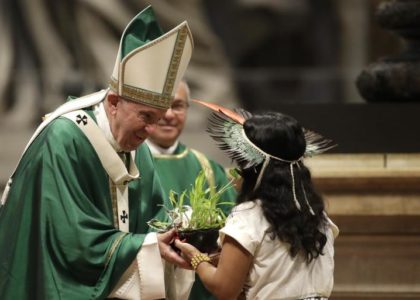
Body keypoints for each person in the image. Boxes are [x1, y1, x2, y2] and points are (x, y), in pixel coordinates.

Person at [0, 6, 194, 299]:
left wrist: (177, 233)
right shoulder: (64, 139)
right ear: (114, 102)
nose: (151, 131)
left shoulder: (138, 148)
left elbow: (155, 218)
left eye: (157, 119)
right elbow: (69, 243)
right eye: (145, 117)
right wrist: (148, 246)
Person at [175, 104, 339, 300]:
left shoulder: (249, 217)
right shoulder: (317, 216)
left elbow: (225, 289)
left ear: (251, 167)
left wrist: (196, 259)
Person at [146, 80, 237, 300]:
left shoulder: (208, 169)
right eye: (161, 106)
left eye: (177, 106)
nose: (168, 114)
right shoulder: (126, 165)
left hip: (200, 287)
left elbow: (235, 231)